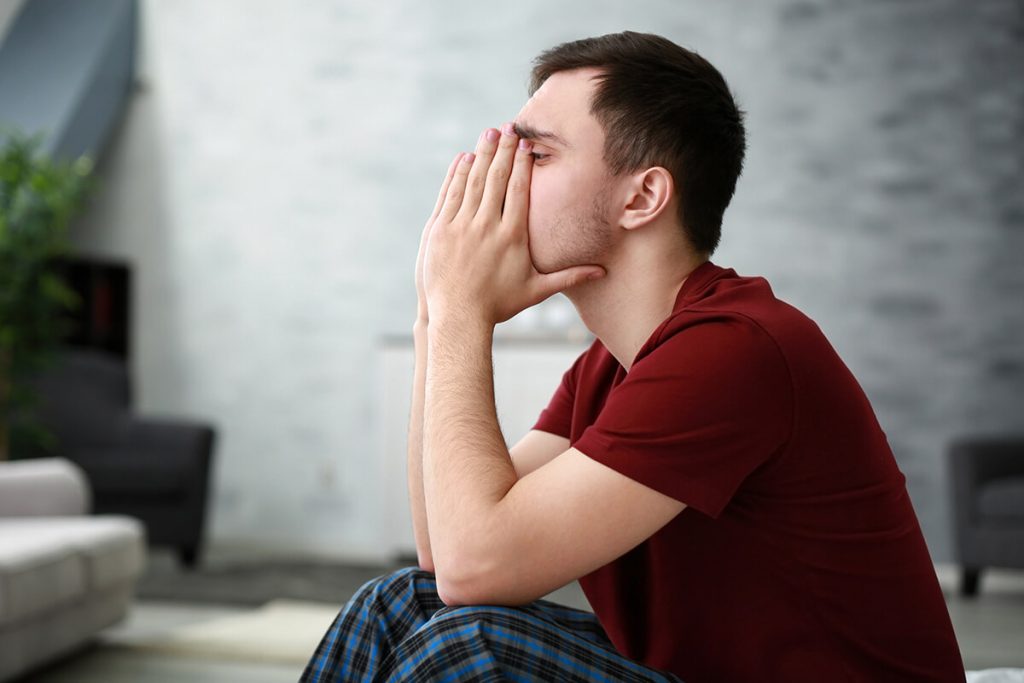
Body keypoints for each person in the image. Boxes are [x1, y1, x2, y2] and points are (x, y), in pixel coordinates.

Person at [302, 31, 966, 682]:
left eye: (536, 155)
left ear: (642, 197)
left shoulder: (736, 350)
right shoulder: (613, 364)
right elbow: (446, 556)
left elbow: (478, 563)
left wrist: (461, 313)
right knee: (398, 601)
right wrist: (434, 311)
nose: (500, 178)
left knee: (473, 641)